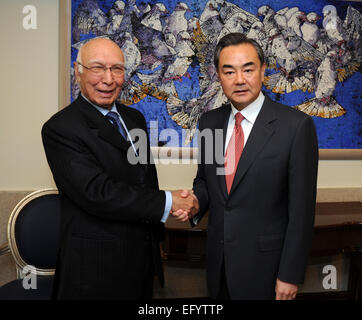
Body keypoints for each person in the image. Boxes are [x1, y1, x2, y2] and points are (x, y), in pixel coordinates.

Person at [42, 37, 197, 299]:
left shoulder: (134, 119)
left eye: (117, 69)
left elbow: (144, 180)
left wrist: (157, 235)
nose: (108, 78)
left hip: (141, 263)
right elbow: (97, 193)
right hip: (94, 270)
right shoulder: (61, 128)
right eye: (97, 68)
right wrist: (169, 202)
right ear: (78, 72)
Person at [179, 33, 319, 300]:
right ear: (218, 76)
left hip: (267, 269)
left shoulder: (296, 126)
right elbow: (206, 181)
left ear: (263, 70)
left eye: (248, 69)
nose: (239, 80)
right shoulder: (209, 122)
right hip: (218, 266)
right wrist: (195, 202)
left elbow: (301, 211)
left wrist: (289, 274)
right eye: (229, 71)